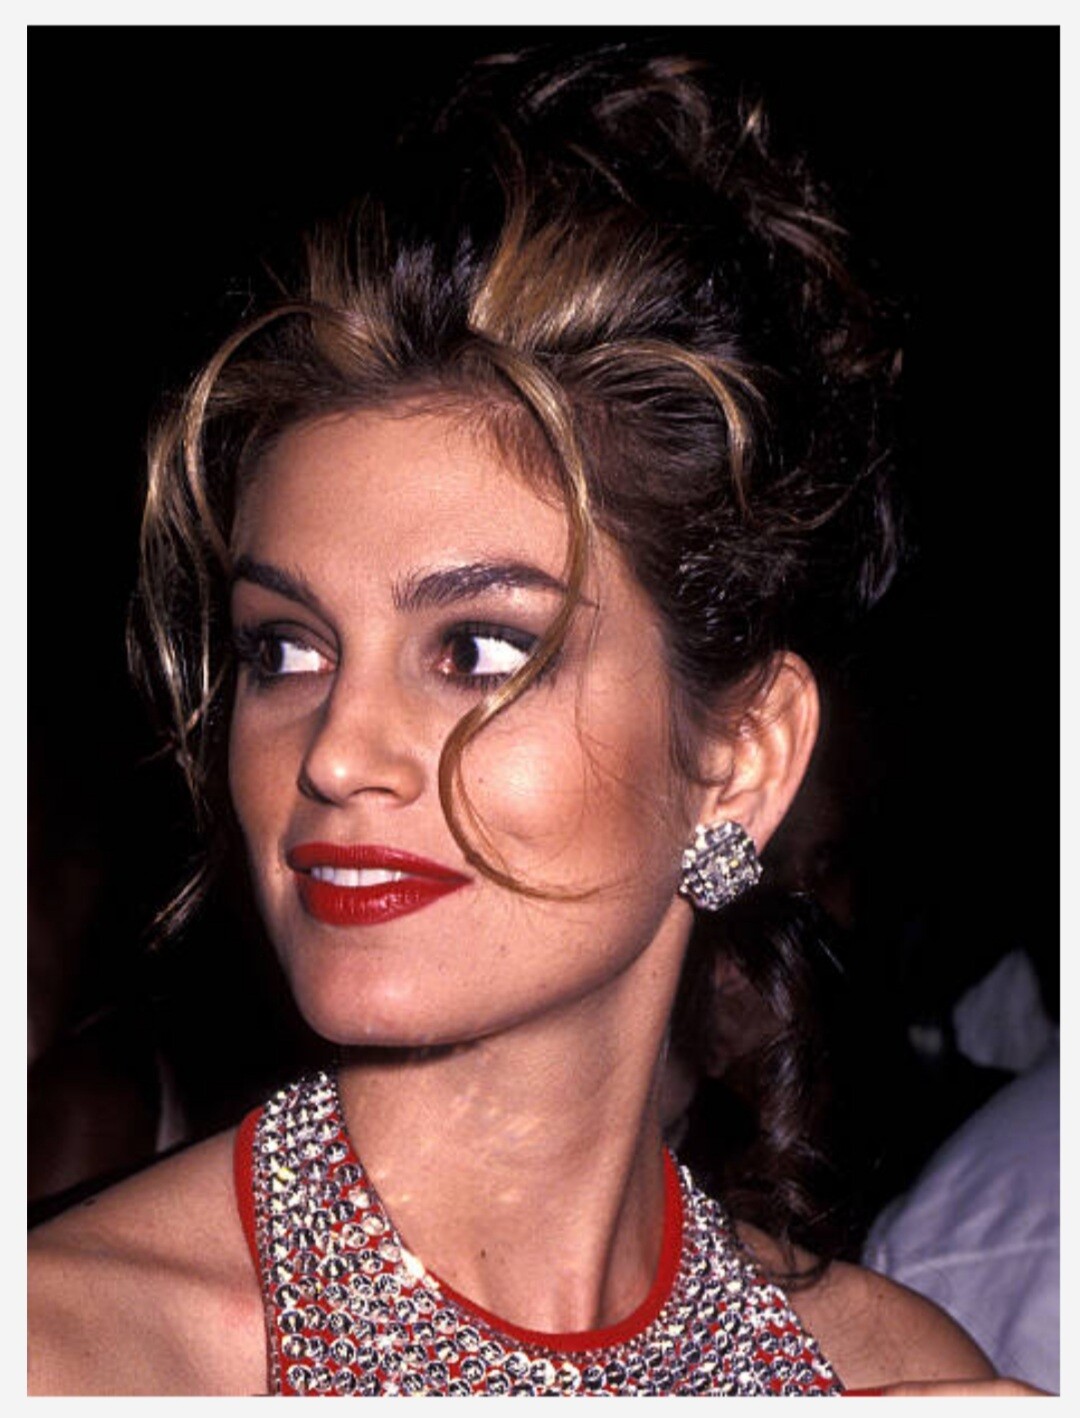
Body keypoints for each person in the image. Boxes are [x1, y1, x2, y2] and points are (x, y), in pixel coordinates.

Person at [27, 44, 1040, 1396]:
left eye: (476, 649)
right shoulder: (70, 1356)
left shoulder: (901, 1375)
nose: (335, 751)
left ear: (741, 759)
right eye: (287, 649)